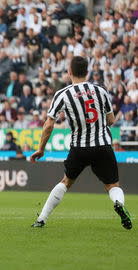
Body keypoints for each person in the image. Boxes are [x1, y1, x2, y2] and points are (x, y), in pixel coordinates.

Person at [30, 56, 132, 230]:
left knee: (65, 182)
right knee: (112, 185)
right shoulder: (100, 90)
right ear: (87, 72)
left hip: (79, 148)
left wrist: (41, 148)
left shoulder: (62, 94)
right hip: (102, 146)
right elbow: (111, 120)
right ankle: (118, 203)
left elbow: (49, 123)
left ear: (70, 72)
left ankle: (41, 219)